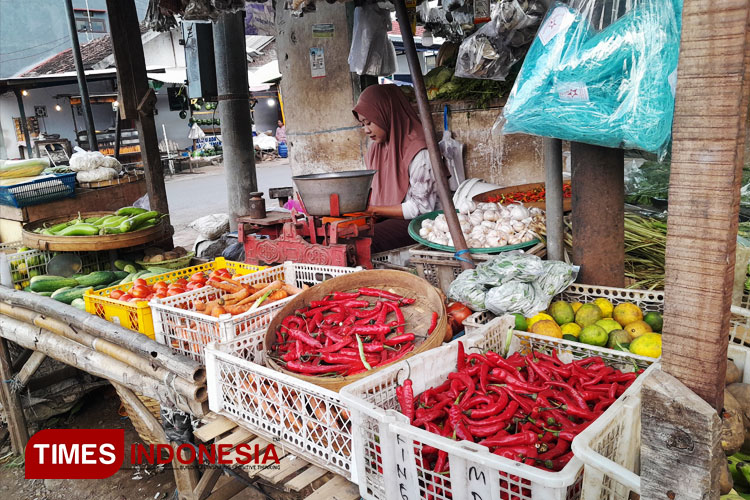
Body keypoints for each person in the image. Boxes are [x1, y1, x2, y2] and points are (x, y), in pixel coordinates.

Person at [352, 84, 439, 253]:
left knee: (362, 243)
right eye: (362, 124)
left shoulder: (420, 152)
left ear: (386, 114)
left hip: (422, 222)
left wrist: (373, 210)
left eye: (369, 122)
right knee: (344, 235)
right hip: (389, 216)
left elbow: (420, 209)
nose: (366, 130)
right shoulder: (376, 149)